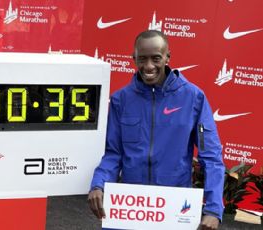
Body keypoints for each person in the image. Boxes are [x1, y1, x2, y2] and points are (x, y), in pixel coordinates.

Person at [88, 30, 225, 230]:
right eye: (142, 59)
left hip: (175, 210)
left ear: (168, 57)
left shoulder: (194, 98)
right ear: (133, 58)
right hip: (131, 208)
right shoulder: (121, 100)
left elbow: (211, 157)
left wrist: (213, 210)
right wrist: (98, 184)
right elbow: (113, 154)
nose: (149, 66)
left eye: (156, 58)